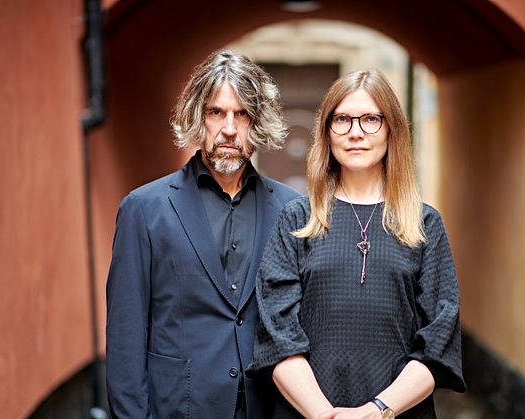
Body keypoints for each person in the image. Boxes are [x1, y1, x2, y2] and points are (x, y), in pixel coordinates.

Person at [250, 69, 466, 419]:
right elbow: (277, 337)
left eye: (370, 119)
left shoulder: (424, 225)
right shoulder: (297, 220)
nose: (355, 133)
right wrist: (325, 415)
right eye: (343, 120)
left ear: (391, 129)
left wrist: (377, 411)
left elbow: (438, 343)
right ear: (327, 132)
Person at [106, 50, 300, 419]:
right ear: (198, 117)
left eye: (242, 114)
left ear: (257, 123)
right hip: (179, 408)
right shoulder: (144, 209)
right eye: (216, 112)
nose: (229, 128)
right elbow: (125, 339)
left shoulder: (292, 211)